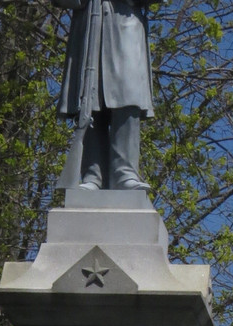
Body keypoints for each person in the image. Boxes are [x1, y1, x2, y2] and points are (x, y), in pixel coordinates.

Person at [54, 0, 154, 191]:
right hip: (89, 29)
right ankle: (93, 175)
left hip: (126, 26)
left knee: (128, 99)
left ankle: (125, 173)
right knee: (89, 102)